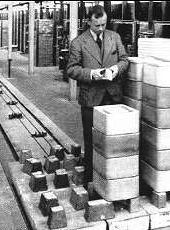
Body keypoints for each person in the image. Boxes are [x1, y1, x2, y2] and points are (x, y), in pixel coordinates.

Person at [67, 5, 129, 188]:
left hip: (113, 96)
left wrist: (115, 69)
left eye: (104, 24)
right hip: (91, 99)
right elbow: (71, 69)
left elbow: (125, 60)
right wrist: (93, 74)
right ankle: (91, 181)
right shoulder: (78, 43)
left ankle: (114, 180)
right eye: (97, 26)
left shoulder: (114, 37)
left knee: (115, 140)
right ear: (88, 22)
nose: (101, 29)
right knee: (91, 140)